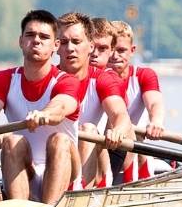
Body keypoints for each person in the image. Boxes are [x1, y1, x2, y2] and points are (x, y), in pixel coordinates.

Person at [0, 9, 80, 204]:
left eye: (44, 37)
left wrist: (44, 114)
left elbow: (62, 106)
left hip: (66, 172)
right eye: (30, 35)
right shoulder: (4, 79)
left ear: (56, 45)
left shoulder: (67, 81)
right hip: (25, 169)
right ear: (21, 41)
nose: (36, 41)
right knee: (12, 141)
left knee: (60, 139)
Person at [54, 11, 132, 187]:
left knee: (88, 129)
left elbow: (121, 115)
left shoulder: (104, 78)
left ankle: (79, 193)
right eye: (64, 42)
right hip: (57, 156)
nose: (70, 48)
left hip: (95, 157)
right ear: (56, 46)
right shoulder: (49, 78)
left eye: (75, 42)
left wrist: (118, 130)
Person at [107, 20, 166, 182]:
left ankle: (139, 180)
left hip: (136, 144)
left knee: (133, 136)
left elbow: (154, 103)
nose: (114, 55)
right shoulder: (96, 77)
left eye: (121, 50)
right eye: (110, 49)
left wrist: (156, 122)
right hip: (106, 143)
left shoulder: (143, 76)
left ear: (132, 50)